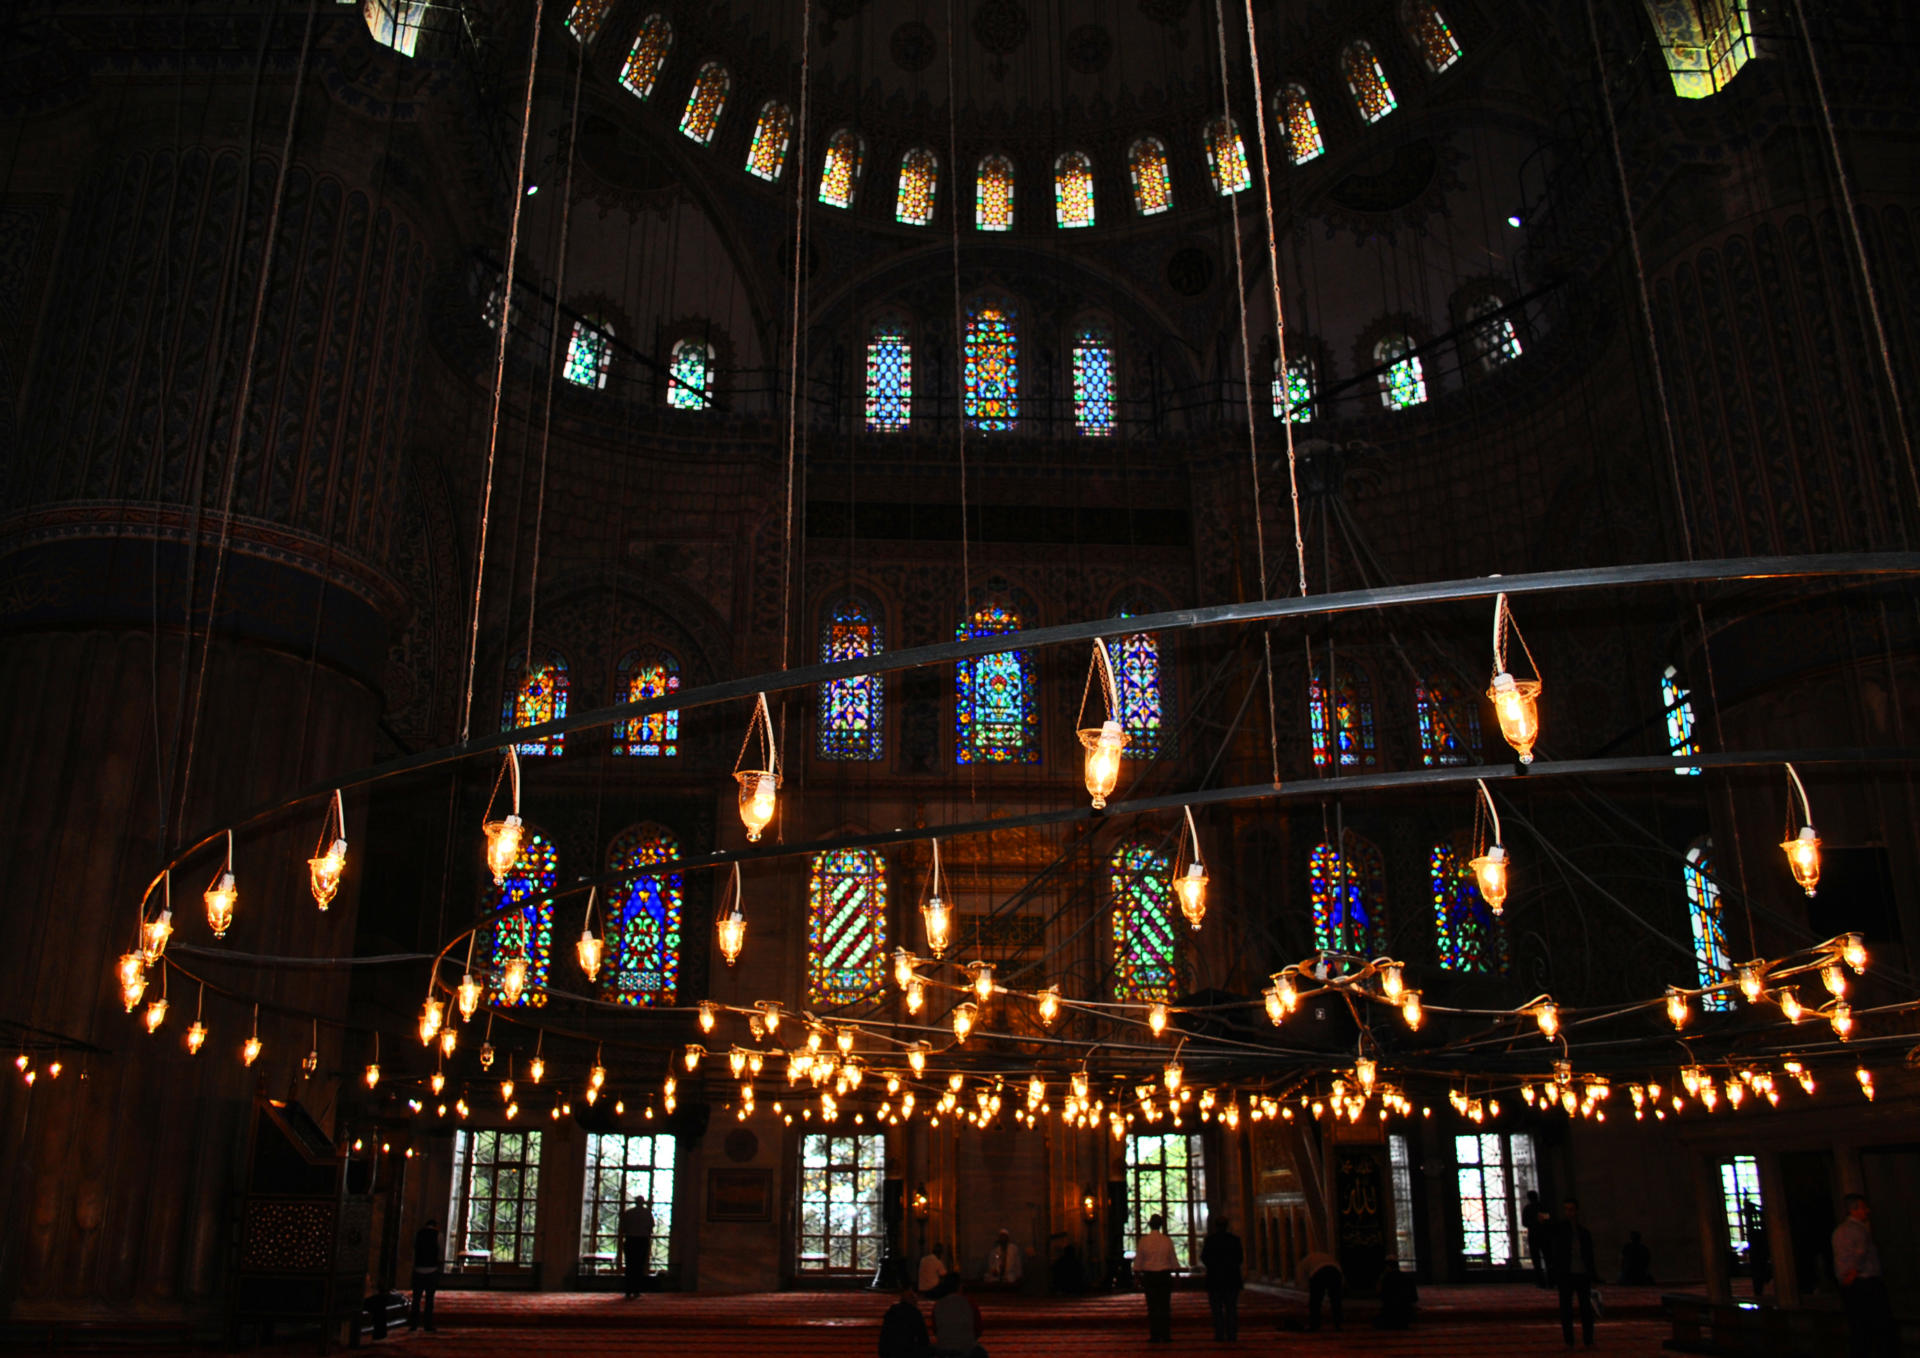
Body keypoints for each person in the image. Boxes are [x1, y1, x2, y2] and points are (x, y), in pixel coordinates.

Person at [1832, 1193, 1896, 1358]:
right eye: (1864, 1208)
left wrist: (1845, 1277)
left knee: (1858, 1328)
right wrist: (1853, 1272)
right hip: (1865, 1283)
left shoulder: (1839, 1231)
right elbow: (1860, 1254)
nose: (1867, 1211)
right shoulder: (1858, 1230)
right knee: (1878, 1327)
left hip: (1851, 1284)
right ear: (1855, 1210)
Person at [1548, 1197, 1597, 1348]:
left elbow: (1589, 1255)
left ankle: (1588, 1340)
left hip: (1582, 1274)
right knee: (1566, 1310)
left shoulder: (1584, 1233)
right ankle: (1569, 1340)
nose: (1569, 1213)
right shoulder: (1561, 1231)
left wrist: (1592, 1273)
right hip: (1566, 1275)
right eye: (1566, 1209)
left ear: (1576, 1211)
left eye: (1572, 1209)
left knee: (1586, 1310)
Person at [1133, 1213, 1179, 1343]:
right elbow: (1173, 1259)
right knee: (1165, 1306)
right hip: (1164, 1276)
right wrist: (1176, 1276)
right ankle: (1165, 1335)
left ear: (1149, 1225)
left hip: (1150, 1277)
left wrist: (1136, 1277)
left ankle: (1155, 1335)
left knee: (1152, 1307)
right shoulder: (1166, 1240)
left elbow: (1138, 1261)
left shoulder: (1144, 1241)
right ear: (1161, 1225)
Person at [1200, 1213, 1244, 1342]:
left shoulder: (1210, 1240)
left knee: (1216, 1310)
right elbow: (1240, 1259)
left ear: (1215, 1226)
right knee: (1231, 1308)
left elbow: (1204, 1258)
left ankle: (1219, 1334)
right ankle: (1232, 1334)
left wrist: (1214, 1267)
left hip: (1215, 1280)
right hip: (1231, 1279)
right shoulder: (1234, 1240)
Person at [930, 1274, 985, 1358]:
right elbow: (978, 1328)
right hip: (966, 1350)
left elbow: (935, 1329)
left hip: (944, 1350)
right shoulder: (969, 1303)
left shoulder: (938, 1305)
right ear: (960, 1287)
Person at [879, 1283, 931, 1358]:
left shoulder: (892, 1312)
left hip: (891, 1352)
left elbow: (884, 1338)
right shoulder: (915, 1313)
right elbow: (923, 1338)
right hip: (908, 1352)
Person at [409, 1217, 441, 1332]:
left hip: (418, 1269)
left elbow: (414, 1248)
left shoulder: (418, 1234)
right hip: (431, 1270)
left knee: (416, 1299)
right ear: (435, 1225)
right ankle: (427, 1325)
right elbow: (439, 1250)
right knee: (429, 1299)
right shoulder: (438, 1235)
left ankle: (413, 1325)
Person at [619, 1196, 655, 1300]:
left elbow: (623, 1228)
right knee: (639, 1266)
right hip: (642, 1241)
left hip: (630, 1241)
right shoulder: (647, 1213)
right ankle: (637, 1290)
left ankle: (628, 1290)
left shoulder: (629, 1213)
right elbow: (651, 1227)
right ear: (643, 1202)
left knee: (630, 1266)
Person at [1298, 1249, 1342, 1332]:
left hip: (1318, 1272)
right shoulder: (1322, 1255)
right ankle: (1338, 1324)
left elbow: (1303, 1281)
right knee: (1336, 1301)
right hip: (1335, 1271)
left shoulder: (1304, 1261)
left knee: (1315, 1302)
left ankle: (1315, 1325)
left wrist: (1308, 1290)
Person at [1376, 1258, 1417, 1329]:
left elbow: (1380, 1295)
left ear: (1388, 1267)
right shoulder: (1407, 1277)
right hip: (1405, 1314)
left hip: (1390, 1313)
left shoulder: (1386, 1279)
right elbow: (1414, 1297)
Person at [1526, 1191, 1552, 1287]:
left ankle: (1541, 1282)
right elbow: (1548, 1219)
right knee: (1548, 1259)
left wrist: (1533, 1224)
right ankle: (1550, 1281)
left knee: (1536, 1261)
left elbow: (1525, 1222)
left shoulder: (1528, 1208)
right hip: (1544, 1236)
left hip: (1534, 1236)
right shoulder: (1543, 1207)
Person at [1745, 1203, 1771, 1299]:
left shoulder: (1759, 1235)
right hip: (1758, 1253)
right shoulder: (1758, 1236)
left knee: (1760, 1271)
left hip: (1759, 1252)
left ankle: (1759, 1290)